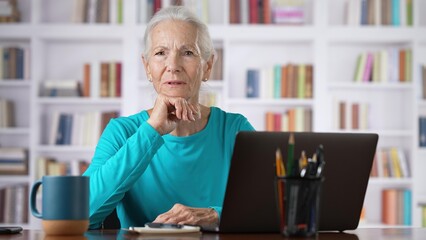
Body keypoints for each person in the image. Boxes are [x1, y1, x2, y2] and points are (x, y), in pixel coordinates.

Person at [83, 6, 255, 230]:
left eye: (188, 53)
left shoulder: (234, 130)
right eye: (160, 53)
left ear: (208, 66)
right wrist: (151, 130)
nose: (173, 66)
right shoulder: (121, 132)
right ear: (147, 67)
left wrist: (215, 216)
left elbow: (272, 208)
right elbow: (78, 214)